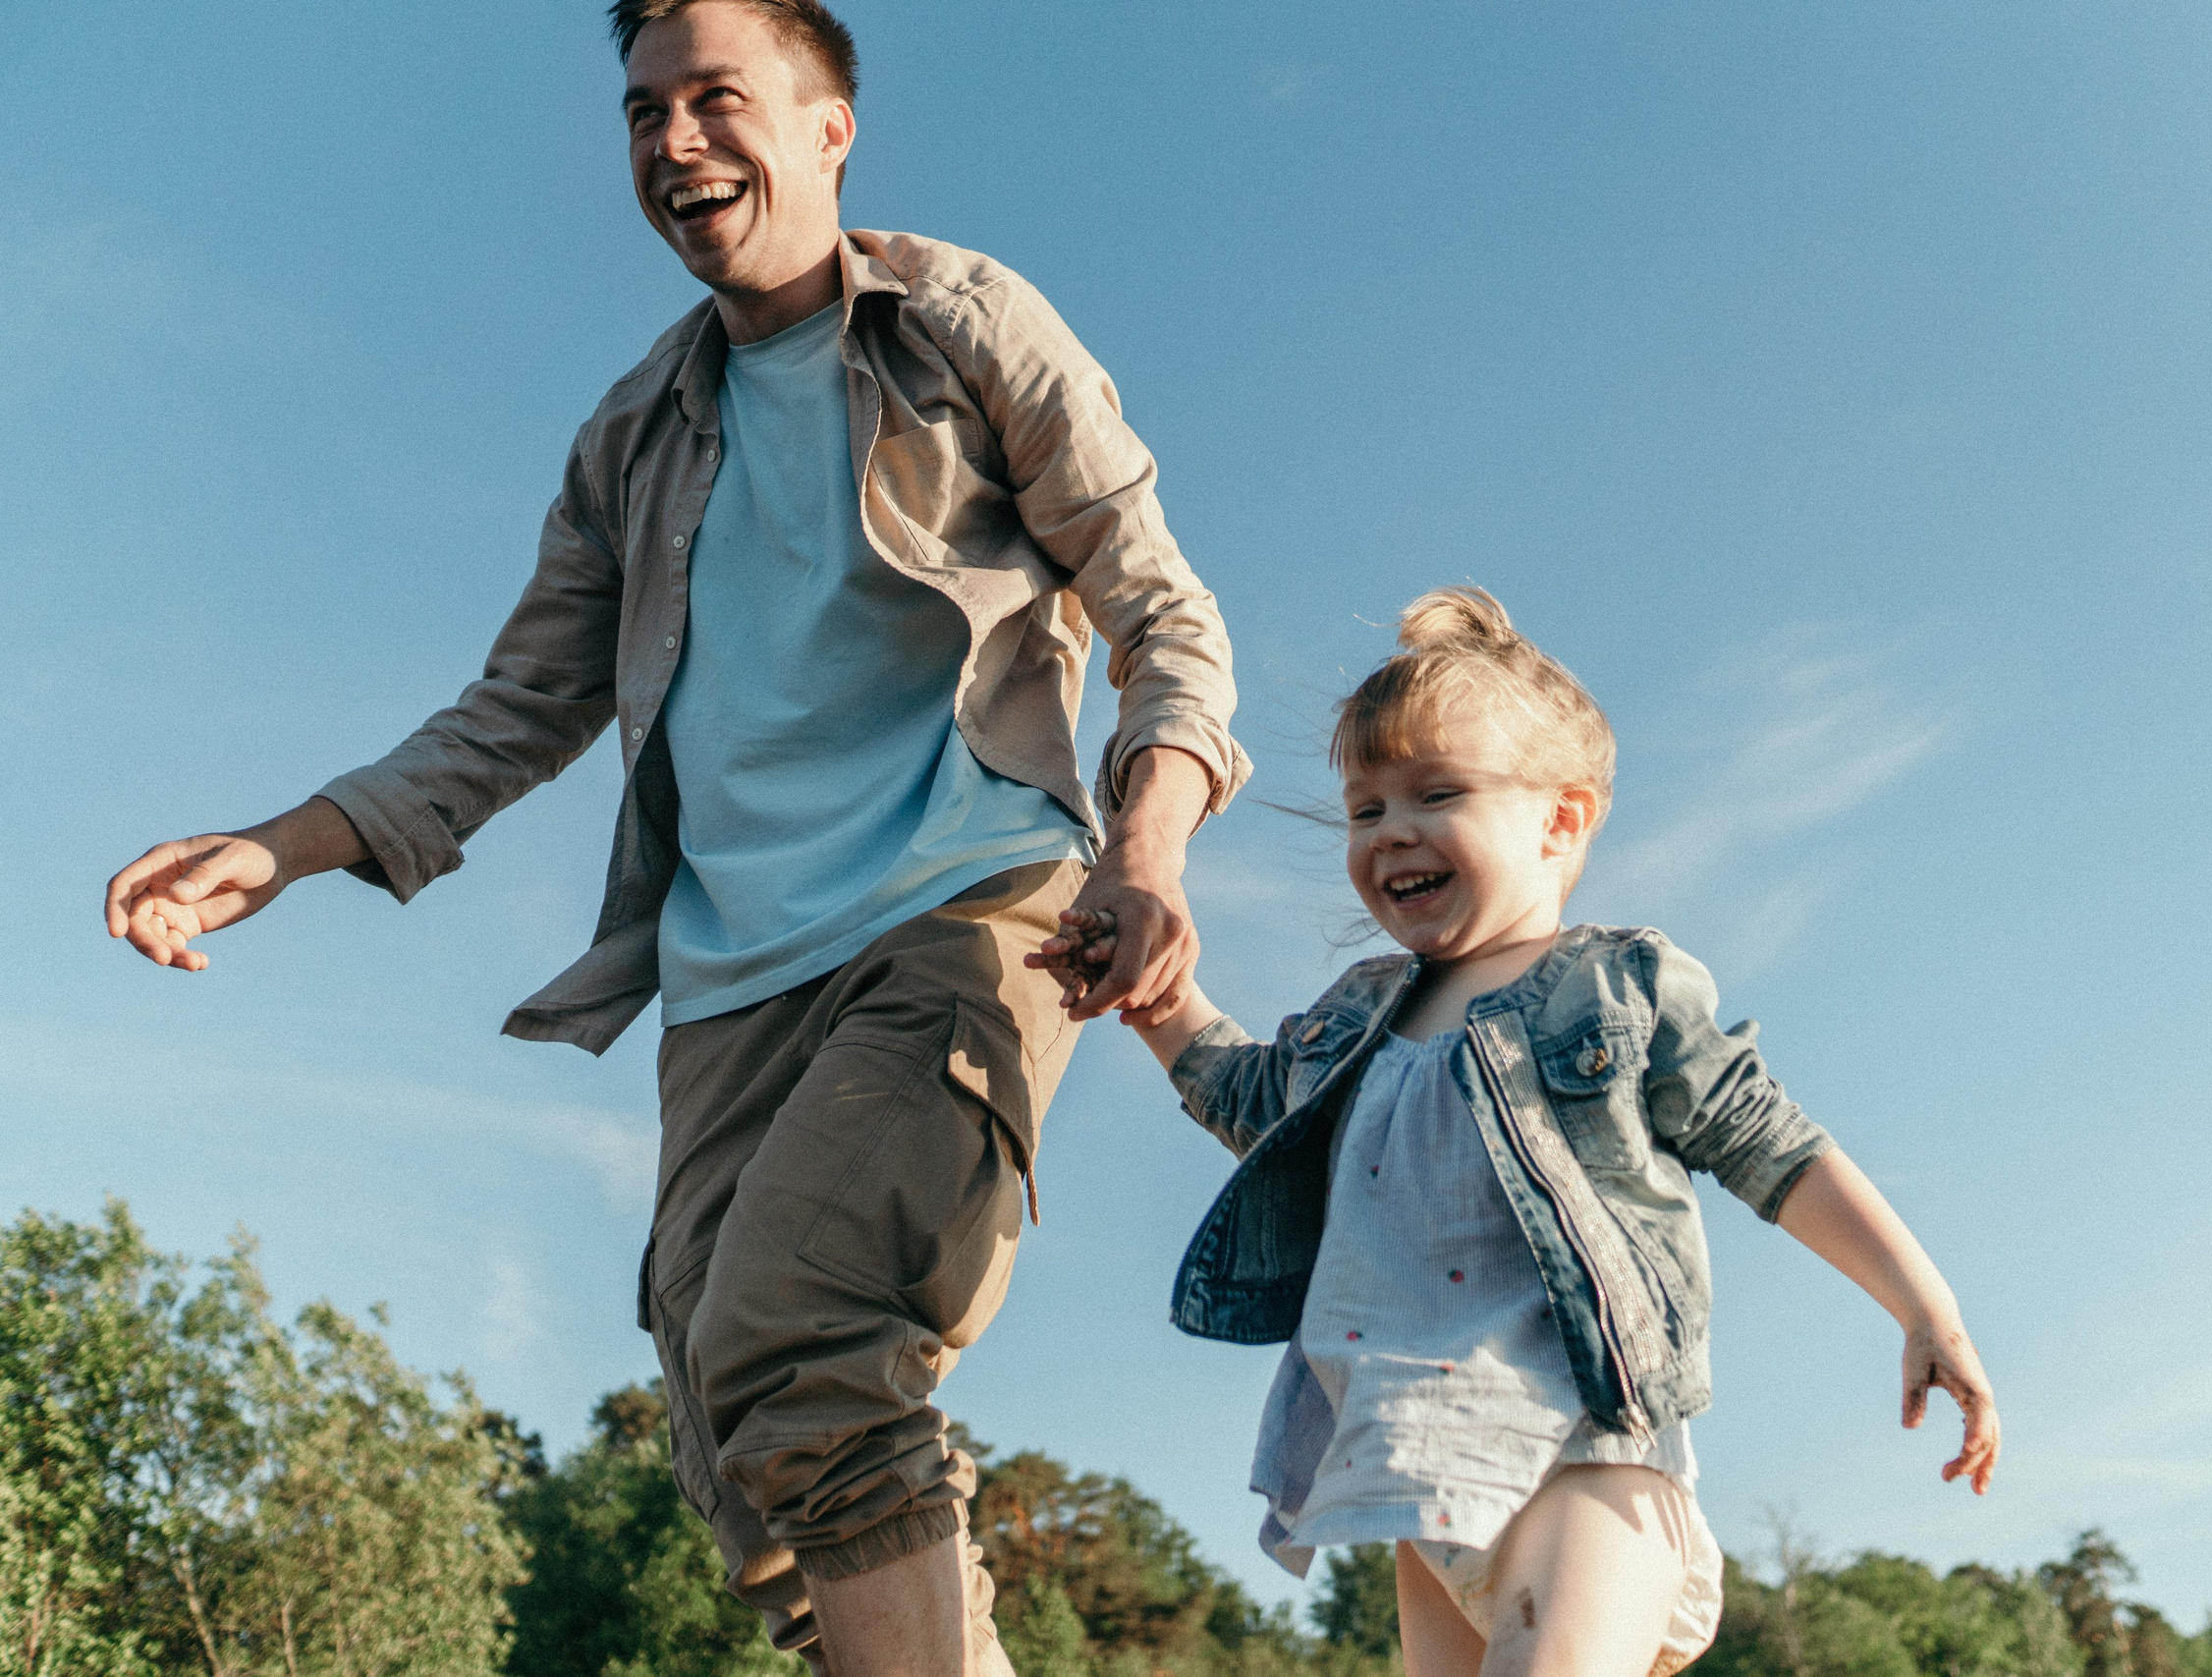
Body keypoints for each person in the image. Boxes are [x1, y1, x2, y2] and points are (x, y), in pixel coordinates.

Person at [100, 2, 1248, 1671]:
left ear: (832, 126)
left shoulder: (963, 326)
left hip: (962, 906)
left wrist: (1147, 850)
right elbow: (519, 706)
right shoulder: (635, 435)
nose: (676, 142)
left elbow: (1162, 610)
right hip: (730, 985)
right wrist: (286, 843)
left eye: (718, 99)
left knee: (806, 1336)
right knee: (739, 1444)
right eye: (645, 113)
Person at [1031, 587, 2000, 1677]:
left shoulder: (1610, 990)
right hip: (1413, 1476)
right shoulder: (1353, 1022)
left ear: (1561, 820)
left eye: (1437, 793)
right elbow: (1254, 1100)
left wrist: (1927, 1308)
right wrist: (1156, 997)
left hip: (1584, 1454)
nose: (1392, 831)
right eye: (1365, 809)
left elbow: (1770, 1143)